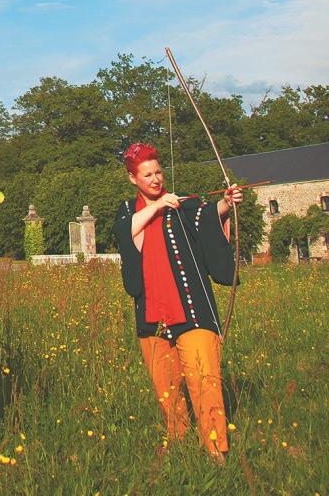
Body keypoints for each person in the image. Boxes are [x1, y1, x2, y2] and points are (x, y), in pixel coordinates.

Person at [112, 142, 242, 462]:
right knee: (166, 389)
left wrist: (226, 203)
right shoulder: (129, 211)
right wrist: (156, 208)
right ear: (133, 179)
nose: (155, 180)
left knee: (204, 378)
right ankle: (179, 441)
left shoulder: (184, 205)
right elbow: (124, 233)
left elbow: (207, 215)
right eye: (147, 175)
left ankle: (215, 450)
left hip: (192, 307)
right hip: (152, 314)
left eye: (158, 172)